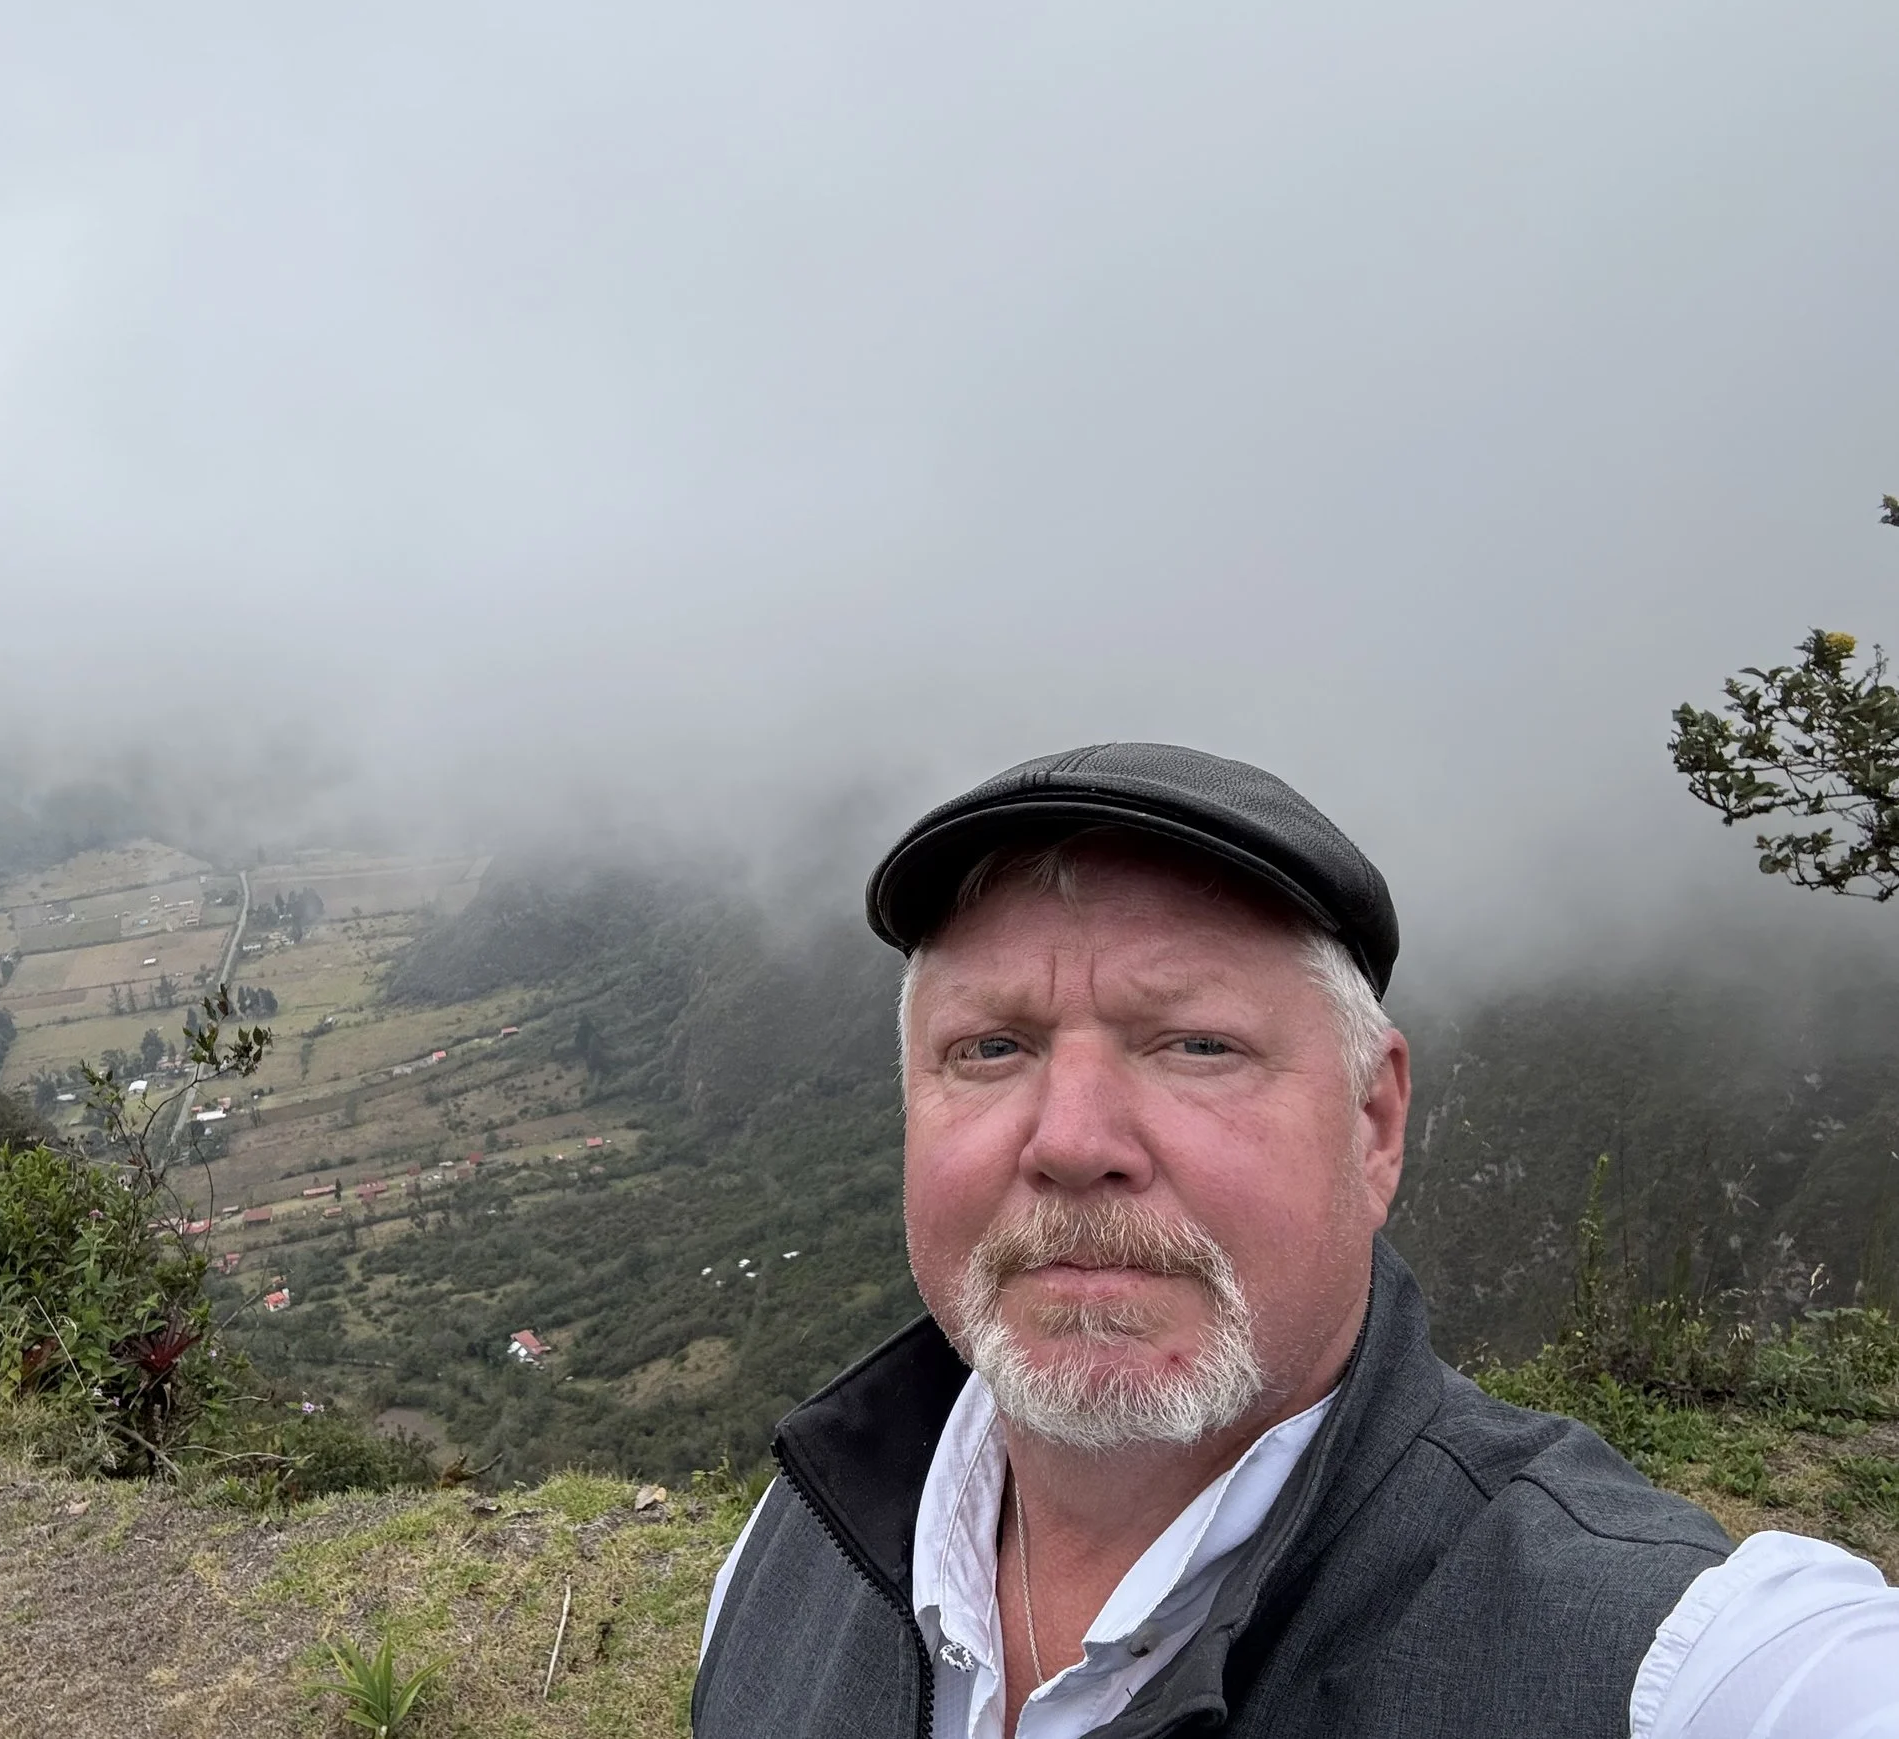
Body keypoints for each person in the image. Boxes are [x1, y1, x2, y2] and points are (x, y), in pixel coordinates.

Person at [693, 744, 1897, 1738]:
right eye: (989, 1049)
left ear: (1373, 1124)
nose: (1070, 1139)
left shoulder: (1672, 1672)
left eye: (1196, 1045)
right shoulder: (792, 1550)